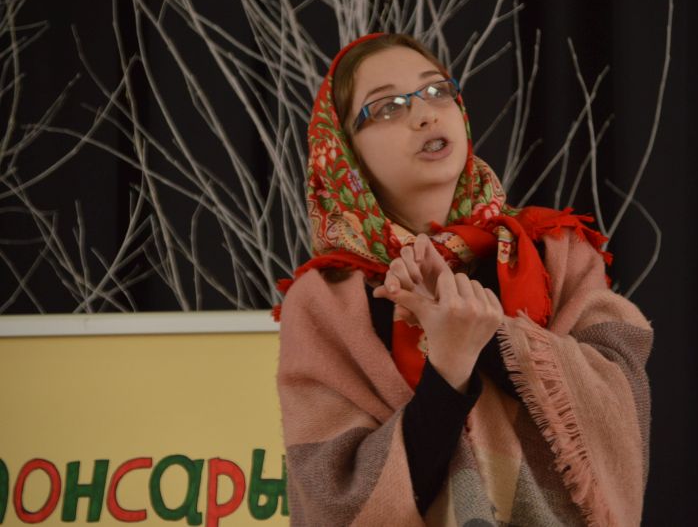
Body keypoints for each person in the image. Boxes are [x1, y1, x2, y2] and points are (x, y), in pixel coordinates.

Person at [276, 32, 652, 526]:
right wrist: (448, 370)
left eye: (437, 91)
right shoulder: (325, 302)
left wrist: (488, 336)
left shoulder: (555, 251)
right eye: (387, 107)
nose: (425, 114)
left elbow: (619, 401)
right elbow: (333, 497)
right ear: (344, 153)